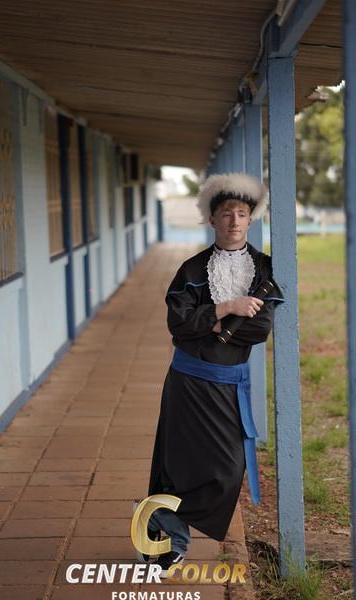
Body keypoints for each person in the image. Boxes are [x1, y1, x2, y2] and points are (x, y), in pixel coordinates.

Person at [137, 172, 284, 577]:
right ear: (212, 219)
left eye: (242, 214)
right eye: (226, 214)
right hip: (187, 382)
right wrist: (226, 308)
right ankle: (171, 542)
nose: (234, 221)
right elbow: (177, 324)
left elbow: (260, 328)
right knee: (179, 464)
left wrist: (209, 325)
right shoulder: (191, 269)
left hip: (228, 384)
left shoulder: (264, 268)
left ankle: (158, 515)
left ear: (250, 219)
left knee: (228, 471)